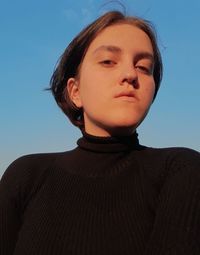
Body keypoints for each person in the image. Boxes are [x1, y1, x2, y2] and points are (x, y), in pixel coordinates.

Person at [0, 10, 200, 255]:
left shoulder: (181, 170)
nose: (130, 75)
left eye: (144, 67)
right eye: (108, 61)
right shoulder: (26, 176)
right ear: (75, 91)